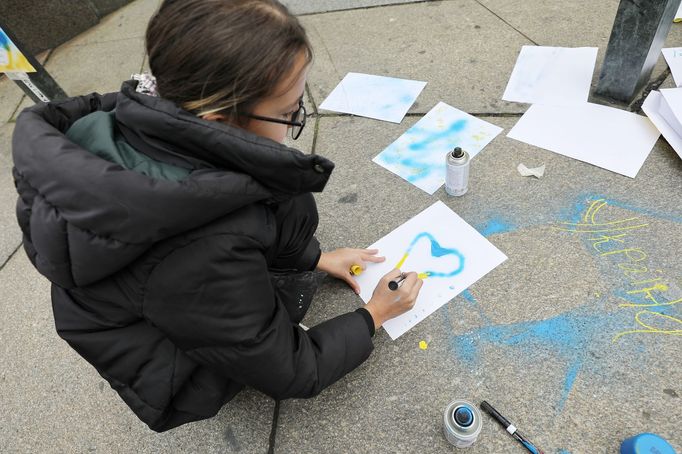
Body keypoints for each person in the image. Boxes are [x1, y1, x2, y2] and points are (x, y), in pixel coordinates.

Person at [11, 0, 423, 432]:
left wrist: (316, 258)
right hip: (171, 372)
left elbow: (263, 210)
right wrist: (375, 313)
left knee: (279, 182)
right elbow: (292, 369)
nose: (293, 124)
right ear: (217, 118)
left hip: (169, 294)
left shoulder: (152, 114)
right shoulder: (202, 252)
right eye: (287, 114)